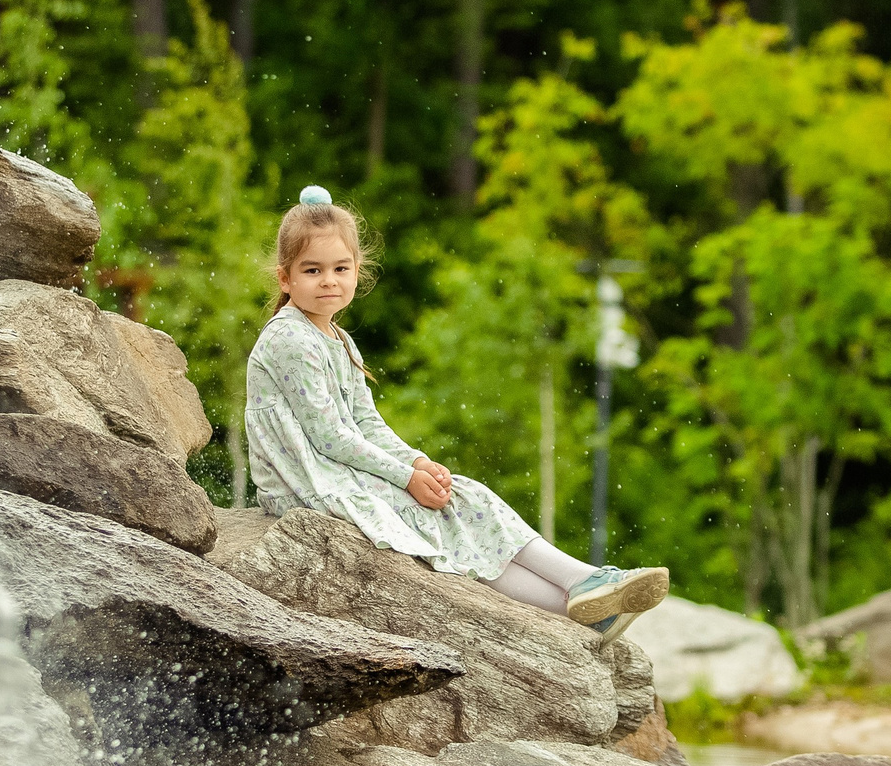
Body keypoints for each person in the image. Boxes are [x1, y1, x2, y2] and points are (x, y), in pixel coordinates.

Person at [243, 185, 669, 642]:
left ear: (357, 272)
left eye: (339, 268)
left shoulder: (340, 341)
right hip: (305, 481)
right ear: (285, 278)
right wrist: (405, 479)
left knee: (464, 497)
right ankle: (578, 596)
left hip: (334, 470)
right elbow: (328, 437)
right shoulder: (290, 339)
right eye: (313, 270)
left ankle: (585, 590)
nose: (328, 280)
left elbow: (366, 424)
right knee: (433, 518)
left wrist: (418, 462)